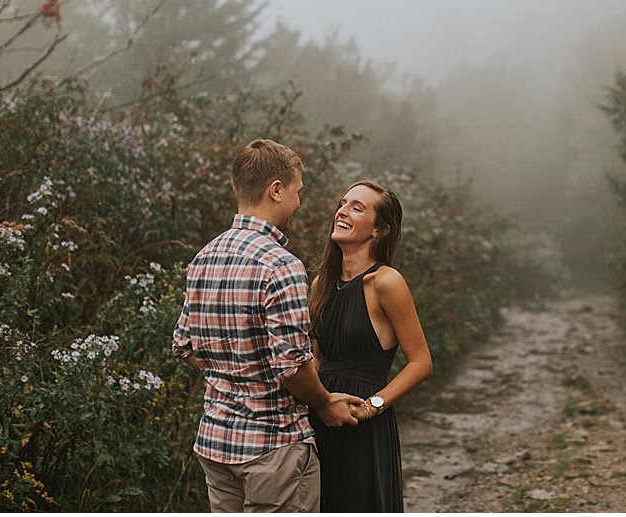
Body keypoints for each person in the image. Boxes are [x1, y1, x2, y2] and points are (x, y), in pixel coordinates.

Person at [172, 139, 363, 512]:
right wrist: (324, 402)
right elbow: (291, 365)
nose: (299, 202)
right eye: (297, 191)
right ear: (276, 190)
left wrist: (231, 378)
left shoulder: (203, 258)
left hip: (216, 442)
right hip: (272, 449)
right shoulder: (282, 265)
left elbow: (184, 346)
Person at [308, 181, 433, 512]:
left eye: (357, 207)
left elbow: (421, 362)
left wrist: (374, 404)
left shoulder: (386, 282)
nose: (343, 211)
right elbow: (317, 361)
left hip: (362, 424)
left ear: (380, 229)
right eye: (343, 203)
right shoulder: (321, 284)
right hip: (319, 415)